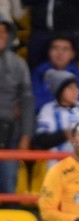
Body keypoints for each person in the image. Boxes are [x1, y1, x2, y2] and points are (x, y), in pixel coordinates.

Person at [0, 14, 34, 195]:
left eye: (4, 32)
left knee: (8, 185)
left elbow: (27, 101)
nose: (0, 36)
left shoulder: (19, 64)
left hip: (10, 134)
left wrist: (26, 135)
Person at [34, 70, 79, 168]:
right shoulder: (48, 110)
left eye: (76, 87)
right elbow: (41, 141)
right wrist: (66, 134)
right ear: (59, 90)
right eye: (70, 88)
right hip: (57, 168)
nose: (75, 91)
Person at [31, 36, 79, 112]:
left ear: (72, 54)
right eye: (55, 48)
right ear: (48, 51)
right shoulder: (38, 73)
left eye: (65, 49)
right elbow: (36, 102)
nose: (60, 53)